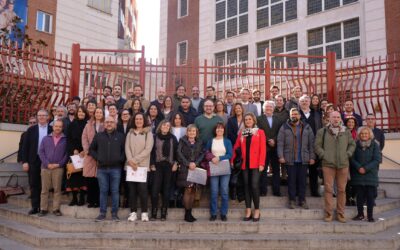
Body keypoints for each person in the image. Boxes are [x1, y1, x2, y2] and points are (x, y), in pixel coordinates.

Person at [315, 111, 356, 223]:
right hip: (328, 164)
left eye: (338, 117)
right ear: (329, 118)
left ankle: (340, 213)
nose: (336, 119)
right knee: (328, 189)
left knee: (342, 190)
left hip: (343, 165)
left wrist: (347, 154)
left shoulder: (346, 131)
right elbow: (317, 146)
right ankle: (328, 213)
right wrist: (324, 155)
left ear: (340, 119)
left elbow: (352, 144)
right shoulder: (322, 131)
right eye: (334, 117)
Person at [278, 108, 315, 209]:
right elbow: (280, 142)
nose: (294, 116)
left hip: (303, 158)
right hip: (290, 158)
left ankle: (302, 200)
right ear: (290, 116)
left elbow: (311, 143)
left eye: (296, 114)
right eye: (292, 114)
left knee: (302, 181)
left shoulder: (306, 127)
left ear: (299, 116)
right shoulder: (284, 127)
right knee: (291, 181)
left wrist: (312, 157)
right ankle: (292, 200)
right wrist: (281, 156)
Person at [90, 116, 126, 222]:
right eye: (107, 122)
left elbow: (125, 150)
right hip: (102, 169)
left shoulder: (121, 136)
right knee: (103, 191)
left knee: (115, 191)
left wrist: (120, 159)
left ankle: (114, 214)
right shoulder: (98, 136)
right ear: (104, 124)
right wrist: (98, 158)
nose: (109, 124)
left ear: (115, 124)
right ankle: (102, 213)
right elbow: (92, 149)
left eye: (111, 122)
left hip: (116, 168)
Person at [231, 113, 266, 222]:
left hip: (256, 164)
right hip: (244, 164)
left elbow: (263, 149)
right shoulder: (242, 133)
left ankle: (257, 210)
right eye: (246, 119)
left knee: (254, 186)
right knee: (246, 186)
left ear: (253, 120)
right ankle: (248, 209)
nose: (248, 121)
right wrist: (232, 160)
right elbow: (236, 147)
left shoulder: (260, 132)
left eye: (250, 119)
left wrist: (262, 163)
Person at [21, 109, 52, 215]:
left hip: (47, 160)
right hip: (33, 160)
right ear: (37, 117)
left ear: (48, 117)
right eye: (40, 115)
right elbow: (25, 147)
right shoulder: (31, 130)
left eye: (44, 115)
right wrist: (25, 161)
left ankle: (44, 207)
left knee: (45, 184)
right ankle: (35, 206)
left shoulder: (52, 129)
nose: (42, 117)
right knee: (34, 183)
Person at [125, 113, 154, 222]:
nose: (138, 121)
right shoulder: (130, 133)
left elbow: (148, 149)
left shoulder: (148, 133)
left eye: (140, 119)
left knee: (143, 190)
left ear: (144, 120)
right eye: (136, 119)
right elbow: (127, 148)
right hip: (130, 166)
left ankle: (144, 213)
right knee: (132, 191)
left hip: (142, 167)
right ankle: (133, 213)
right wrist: (131, 161)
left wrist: (135, 160)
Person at [38, 120, 68, 217]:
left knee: (57, 189)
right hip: (45, 168)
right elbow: (41, 152)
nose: (58, 128)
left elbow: (66, 155)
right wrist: (47, 164)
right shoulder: (45, 138)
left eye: (60, 126)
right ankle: (43, 209)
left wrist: (59, 164)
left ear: (62, 128)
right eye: (56, 126)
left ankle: (56, 209)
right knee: (44, 190)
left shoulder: (65, 139)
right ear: (53, 127)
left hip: (58, 168)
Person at [350, 126, 381, 222]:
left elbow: (377, 159)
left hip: (370, 175)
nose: (364, 135)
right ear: (359, 135)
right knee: (359, 197)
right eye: (362, 134)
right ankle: (360, 215)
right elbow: (351, 158)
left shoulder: (375, 145)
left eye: (366, 133)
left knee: (370, 197)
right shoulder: (355, 145)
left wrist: (365, 168)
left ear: (370, 135)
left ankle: (370, 216)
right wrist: (359, 167)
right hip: (358, 174)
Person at [150, 120, 178, 221]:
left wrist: (175, 163)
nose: (165, 127)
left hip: (169, 166)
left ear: (169, 127)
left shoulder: (173, 138)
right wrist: (151, 163)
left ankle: (163, 212)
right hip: (157, 166)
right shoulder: (154, 137)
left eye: (168, 125)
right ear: (160, 126)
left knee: (166, 190)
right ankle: (153, 212)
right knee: (155, 190)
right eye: (164, 125)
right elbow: (151, 152)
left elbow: (177, 152)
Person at [176, 124, 205, 222]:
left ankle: (190, 212)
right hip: (185, 168)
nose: (192, 133)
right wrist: (188, 163)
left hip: (195, 168)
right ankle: (187, 213)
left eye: (193, 131)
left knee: (193, 190)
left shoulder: (199, 142)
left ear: (196, 133)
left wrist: (195, 163)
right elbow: (179, 153)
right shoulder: (182, 140)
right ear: (187, 132)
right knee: (188, 189)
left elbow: (202, 154)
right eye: (190, 131)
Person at [206, 122, 232, 221]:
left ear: (224, 130)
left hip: (225, 167)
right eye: (217, 128)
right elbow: (206, 152)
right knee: (214, 191)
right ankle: (213, 213)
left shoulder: (227, 141)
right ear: (215, 130)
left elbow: (230, 154)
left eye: (221, 128)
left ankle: (223, 213)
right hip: (214, 167)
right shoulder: (210, 141)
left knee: (224, 191)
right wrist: (212, 158)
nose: (219, 130)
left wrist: (219, 158)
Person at [257, 101, 284, 196]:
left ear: (273, 108)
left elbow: (281, 131)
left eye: (270, 107)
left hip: (276, 147)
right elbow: (259, 131)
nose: (268, 109)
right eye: (266, 107)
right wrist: (268, 140)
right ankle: (263, 190)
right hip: (264, 147)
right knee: (263, 169)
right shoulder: (259, 119)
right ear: (264, 109)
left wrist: (274, 140)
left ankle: (276, 191)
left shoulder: (278, 119)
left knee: (276, 170)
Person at [299, 95, 322, 197]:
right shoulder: (297, 114)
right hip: (300, 145)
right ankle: (300, 192)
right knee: (301, 170)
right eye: (302, 101)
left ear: (310, 102)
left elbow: (320, 128)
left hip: (314, 144)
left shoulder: (316, 114)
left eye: (306, 101)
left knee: (314, 170)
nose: (304, 103)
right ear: (299, 103)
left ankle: (314, 191)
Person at [66, 106, 89, 206]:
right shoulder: (72, 124)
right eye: (79, 111)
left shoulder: (88, 124)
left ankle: (82, 198)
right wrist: (73, 150)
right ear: (77, 113)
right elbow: (68, 139)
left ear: (86, 113)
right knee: (74, 176)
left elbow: (89, 139)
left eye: (83, 112)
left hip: (85, 153)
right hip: (74, 154)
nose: (81, 113)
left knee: (83, 176)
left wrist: (85, 150)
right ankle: (74, 198)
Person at [82, 107, 104, 208]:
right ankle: (91, 201)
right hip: (90, 156)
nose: (98, 114)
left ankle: (98, 201)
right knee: (90, 180)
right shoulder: (88, 125)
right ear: (94, 114)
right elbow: (84, 138)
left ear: (103, 114)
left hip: (101, 156)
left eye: (100, 112)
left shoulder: (105, 125)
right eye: (97, 112)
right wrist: (87, 150)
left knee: (99, 180)